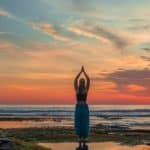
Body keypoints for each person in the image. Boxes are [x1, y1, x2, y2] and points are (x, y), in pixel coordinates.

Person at [74, 66, 90, 148]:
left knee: (84, 122)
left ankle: (84, 138)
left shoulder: (86, 90)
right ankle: (79, 138)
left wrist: (84, 72)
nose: (82, 82)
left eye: (83, 81)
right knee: (78, 122)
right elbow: (75, 80)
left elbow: (89, 80)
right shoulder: (76, 89)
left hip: (84, 107)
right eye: (81, 81)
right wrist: (80, 72)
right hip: (78, 107)